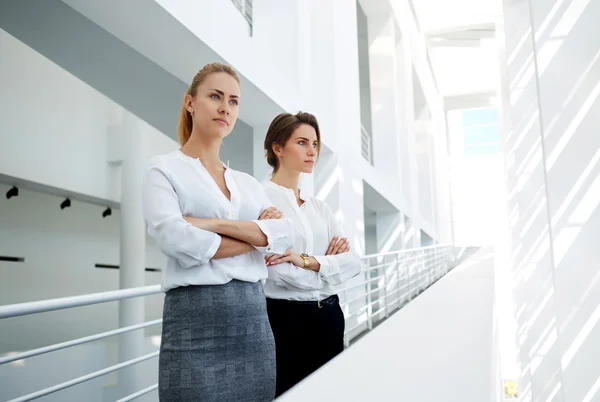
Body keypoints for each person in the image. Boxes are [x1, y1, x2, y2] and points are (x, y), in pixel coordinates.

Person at [142, 62, 295, 401]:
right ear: (190, 102)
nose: (226, 107)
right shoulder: (163, 169)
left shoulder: (249, 184)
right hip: (193, 327)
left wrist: (209, 225)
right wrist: (255, 237)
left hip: (254, 325)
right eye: (215, 96)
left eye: (234, 101)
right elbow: (175, 239)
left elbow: (284, 235)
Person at [261, 111, 363, 397]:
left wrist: (308, 261)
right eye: (302, 142)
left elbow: (354, 261)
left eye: (315, 144)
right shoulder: (261, 199)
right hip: (287, 319)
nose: (312, 151)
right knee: (292, 394)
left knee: (330, 395)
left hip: (330, 315)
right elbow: (278, 272)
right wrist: (329, 268)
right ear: (278, 148)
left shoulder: (320, 208)